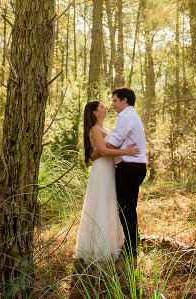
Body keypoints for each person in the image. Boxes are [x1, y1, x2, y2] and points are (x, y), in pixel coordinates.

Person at [75, 100, 139, 263]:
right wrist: (127, 151)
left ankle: (111, 244)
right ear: (95, 113)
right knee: (101, 205)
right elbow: (103, 151)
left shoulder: (103, 128)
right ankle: (98, 248)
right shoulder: (95, 129)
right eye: (102, 107)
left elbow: (101, 150)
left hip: (109, 170)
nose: (106, 108)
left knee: (109, 205)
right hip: (101, 171)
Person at [105, 87, 147, 264]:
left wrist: (99, 147)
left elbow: (114, 143)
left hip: (129, 167)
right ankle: (133, 244)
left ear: (125, 100)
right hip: (136, 166)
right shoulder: (131, 116)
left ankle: (130, 249)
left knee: (125, 209)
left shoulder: (126, 117)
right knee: (129, 207)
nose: (113, 104)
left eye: (115, 101)